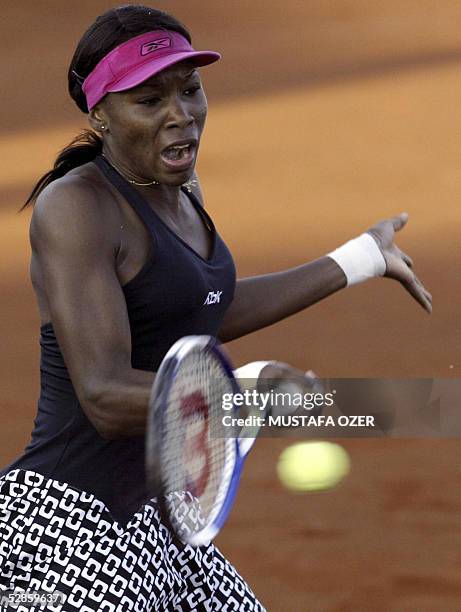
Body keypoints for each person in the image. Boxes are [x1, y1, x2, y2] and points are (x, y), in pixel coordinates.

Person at [0, 4, 431, 611]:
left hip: (164, 520)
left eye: (190, 90)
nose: (181, 117)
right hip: (73, 524)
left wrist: (361, 258)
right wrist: (249, 395)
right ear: (100, 114)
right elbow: (101, 394)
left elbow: (200, 309)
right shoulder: (76, 208)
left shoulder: (177, 190)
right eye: (150, 101)